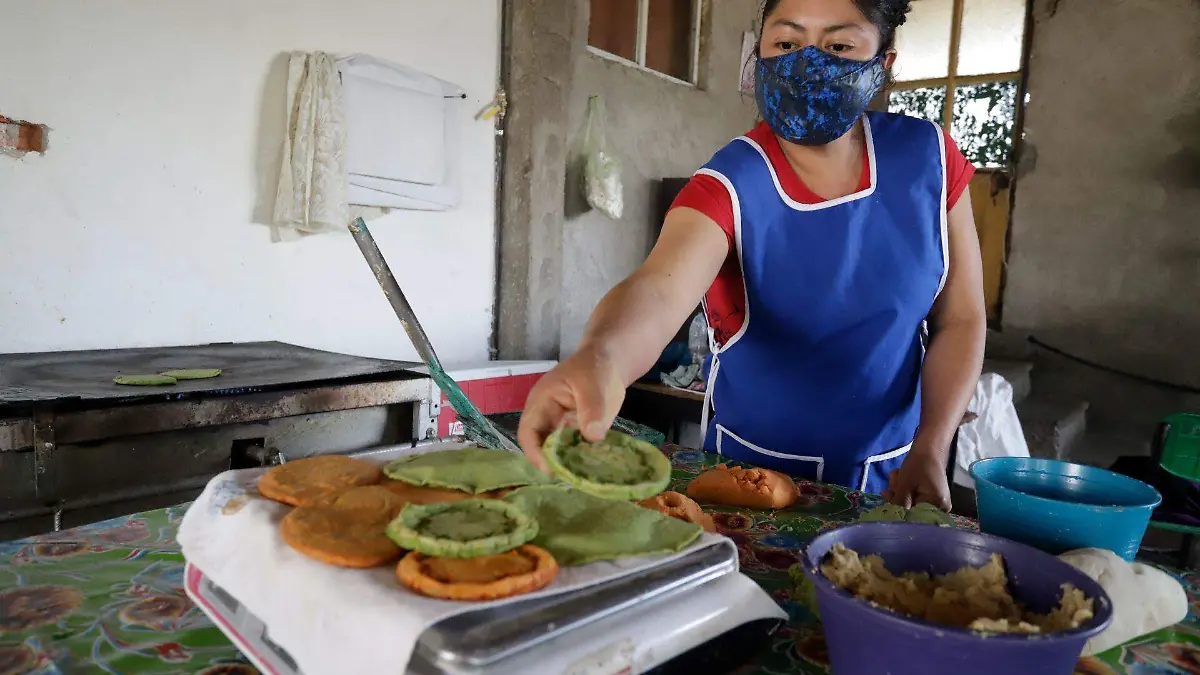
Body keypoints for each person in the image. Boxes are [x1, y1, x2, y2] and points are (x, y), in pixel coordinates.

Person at [518, 0, 986, 511]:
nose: (807, 62)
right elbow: (658, 288)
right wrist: (601, 358)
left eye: (838, 46)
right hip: (749, 487)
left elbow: (961, 318)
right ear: (758, 56)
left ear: (883, 64)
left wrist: (932, 446)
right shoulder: (731, 183)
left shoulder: (930, 162)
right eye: (786, 43)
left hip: (897, 477)